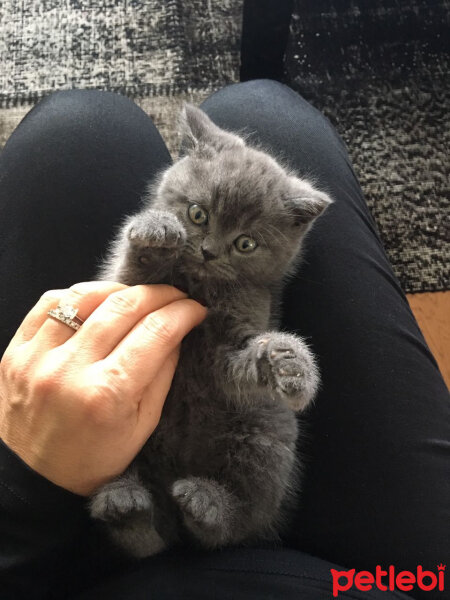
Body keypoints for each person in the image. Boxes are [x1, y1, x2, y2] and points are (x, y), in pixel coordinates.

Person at [0, 80, 448, 600]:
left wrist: (270, 361)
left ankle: (225, 518)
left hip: (209, 462)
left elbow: (233, 363)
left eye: (243, 244)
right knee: (261, 106)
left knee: (77, 127)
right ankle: (142, 529)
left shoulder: (248, 292)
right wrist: (145, 252)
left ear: (290, 233)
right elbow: (124, 292)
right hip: (391, 582)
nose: (210, 249)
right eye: (196, 217)